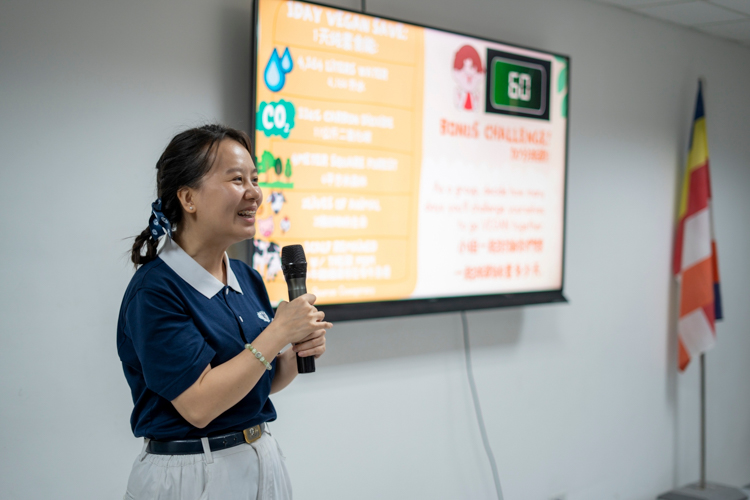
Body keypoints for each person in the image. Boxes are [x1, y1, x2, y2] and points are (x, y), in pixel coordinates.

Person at [117, 124, 330, 500]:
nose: (254, 193)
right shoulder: (156, 289)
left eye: (255, 178)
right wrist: (278, 333)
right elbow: (199, 405)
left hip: (260, 458)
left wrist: (296, 355)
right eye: (236, 179)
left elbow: (257, 382)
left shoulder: (246, 278)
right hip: (191, 475)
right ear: (188, 198)